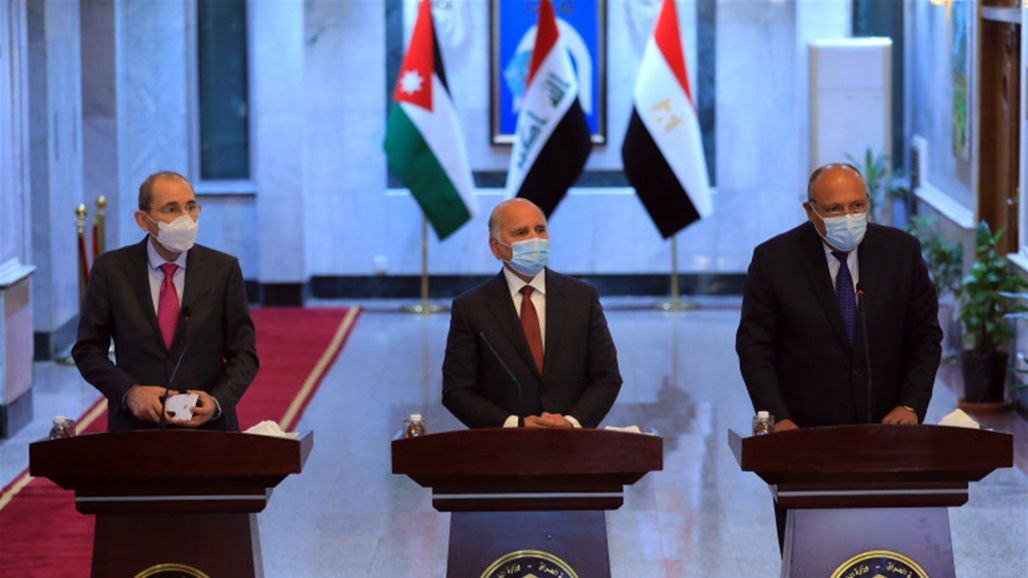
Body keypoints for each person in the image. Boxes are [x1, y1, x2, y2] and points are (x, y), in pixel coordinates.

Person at [735, 162, 943, 548]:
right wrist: (778, 417)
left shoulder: (902, 252)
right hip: (805, 435)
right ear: (810, 211)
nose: (848, 217)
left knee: (881, 551)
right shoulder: (774, 259)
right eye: (834, 209)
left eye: (856, 205)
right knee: (813, 550)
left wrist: (911, 405)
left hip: (886, 430)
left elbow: (926, 337)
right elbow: (754, 348)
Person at [73, 171, 258, 431]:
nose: (185, 218)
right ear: (143, 220)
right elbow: (88, 351)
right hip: (135, 429)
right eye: (171, 209)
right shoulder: (111, 270)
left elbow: (244, 354)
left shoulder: (223, 270)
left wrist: (217, 401)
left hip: (208, 431)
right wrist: (129, 392)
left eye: (191, 207)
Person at [442, 198, 622, 429]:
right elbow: (456, 391)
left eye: (540, 229)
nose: (534, 239)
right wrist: (514, 425)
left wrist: (571, 423)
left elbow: (607, 377)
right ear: (496, 247)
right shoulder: (470, 307)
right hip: (504, 444)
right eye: (521, 232)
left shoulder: (582, 297)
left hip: (572, 442)